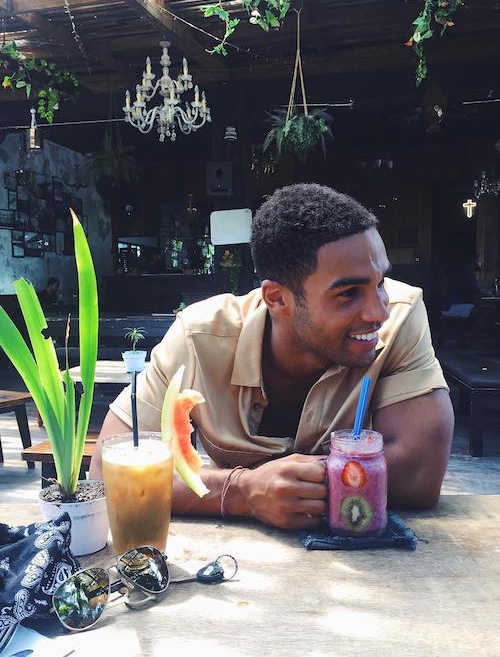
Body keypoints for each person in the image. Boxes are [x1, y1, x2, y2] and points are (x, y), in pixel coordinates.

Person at [90, 183, 454, 529]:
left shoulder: (402, 317)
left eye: (380, 284)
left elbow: (420, 476)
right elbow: (109, 474)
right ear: (277, 298)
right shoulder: (199, 338)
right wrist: (243, 492)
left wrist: (277, 487)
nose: (379, 312)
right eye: (348, 294)